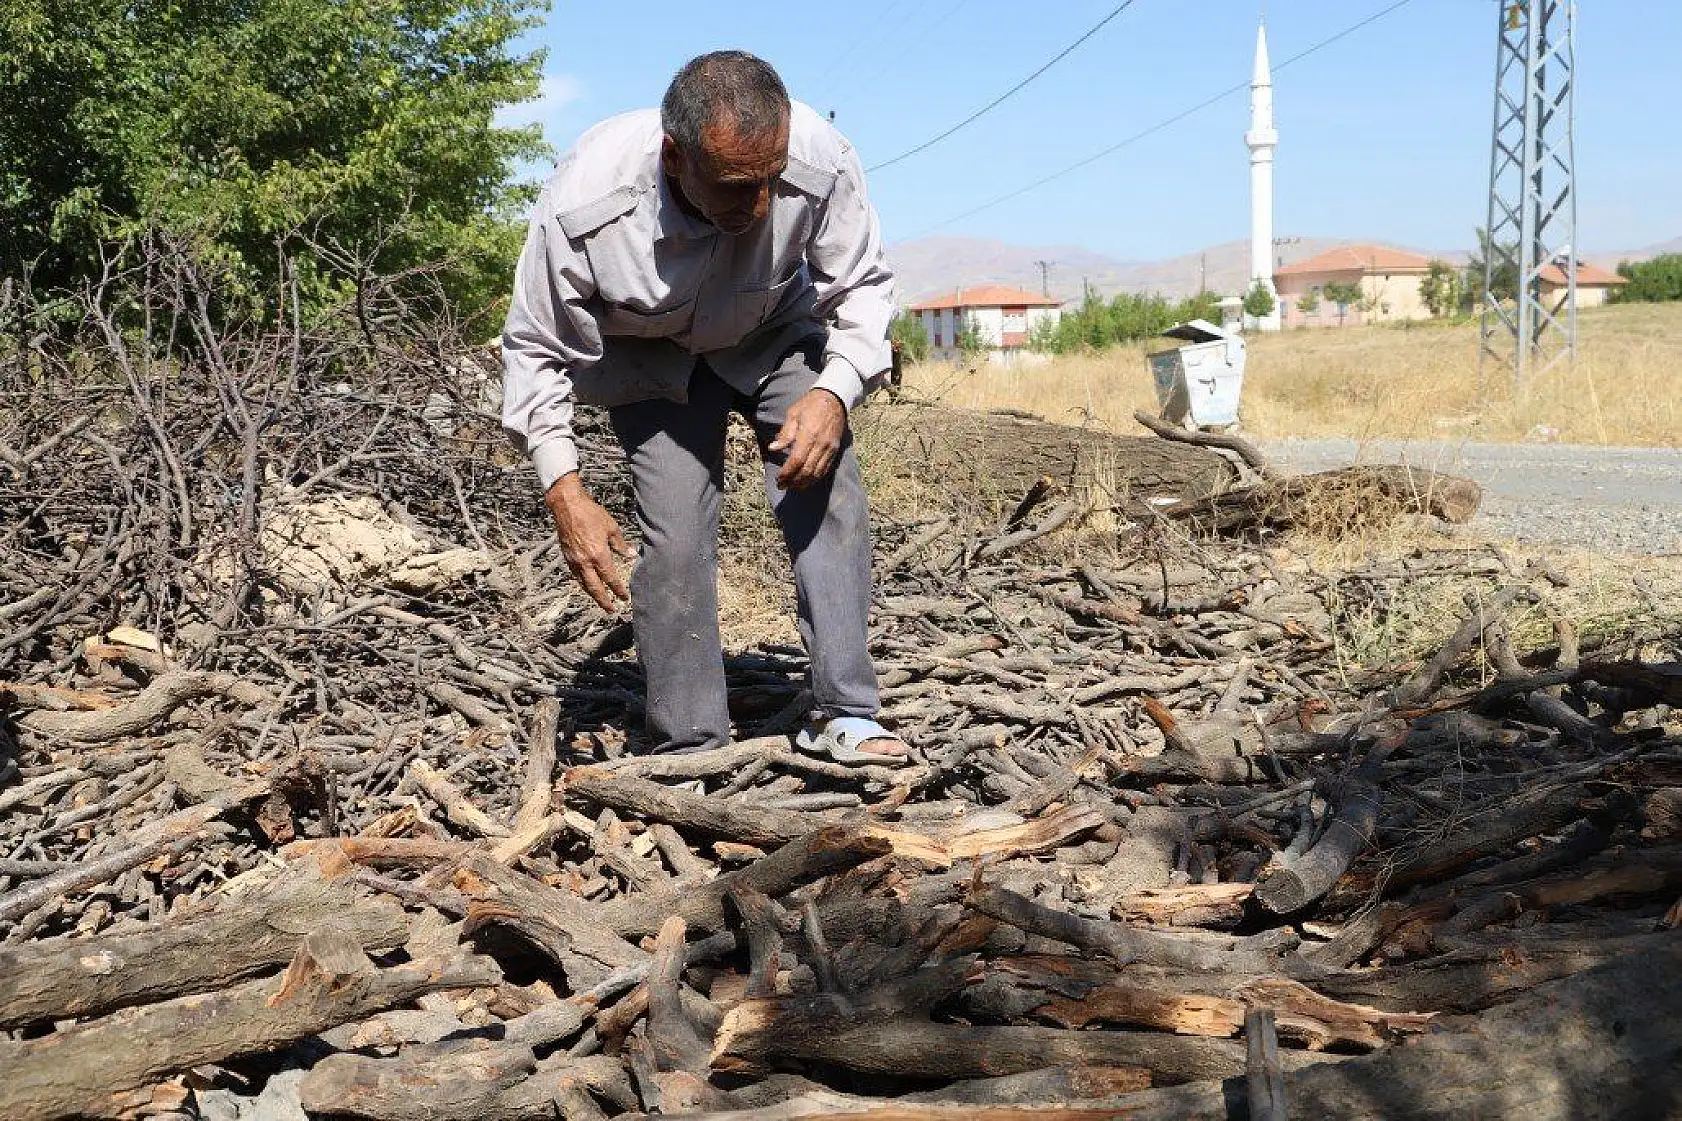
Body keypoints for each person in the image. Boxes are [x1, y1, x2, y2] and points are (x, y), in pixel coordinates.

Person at [500, 50, 905, 759]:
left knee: (827, 479)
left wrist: (836, 392)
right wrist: (563, 487)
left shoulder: (820, 159)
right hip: (648, 355)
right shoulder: (586, 199)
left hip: (774, 330)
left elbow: (863, 287)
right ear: (673, 156)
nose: (758, 208)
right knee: (676, 533)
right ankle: (692, 743)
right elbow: (534, 345)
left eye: (770, 183)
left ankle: (844, 710)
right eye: (735, 186)